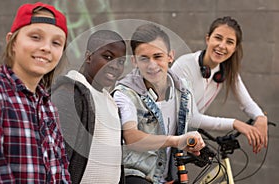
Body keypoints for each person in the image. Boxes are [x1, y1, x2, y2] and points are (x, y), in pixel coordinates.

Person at [0, 2, 71, 183]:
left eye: (56, 43)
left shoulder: (49, 107)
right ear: (11, 41)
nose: (46, 48)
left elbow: (61, 170)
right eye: (35, 37)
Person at [112, 23, 205, 184]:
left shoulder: (182, 89)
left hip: (169, 176)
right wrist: (176, 140)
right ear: (134, 61)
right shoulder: (124, 93)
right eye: (144, 58)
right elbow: (131, 137)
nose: (152, 65)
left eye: (158, 56)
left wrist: (193, 143)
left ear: (170, 56)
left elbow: (192, 121)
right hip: (134, 176)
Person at [171, 16, 268, 154]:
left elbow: (247, 103)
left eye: (229, 42)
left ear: (234, 48)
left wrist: (261, 118)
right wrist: (236, 123)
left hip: (184, 139)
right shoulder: (184, 65)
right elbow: (191, 117)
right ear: (207, 39)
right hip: (164, 136)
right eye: (218, 38)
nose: (222, 46)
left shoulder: (226, 71)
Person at [51, 30, 127, 183]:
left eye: (121, 62)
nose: (115, 66)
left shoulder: (111, 102)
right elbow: (57, 159)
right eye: (108, 57)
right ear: (89, 56)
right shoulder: (70, 94)